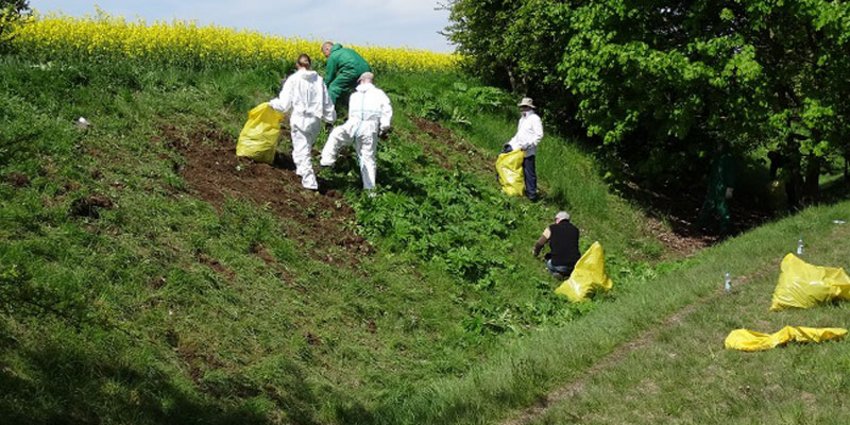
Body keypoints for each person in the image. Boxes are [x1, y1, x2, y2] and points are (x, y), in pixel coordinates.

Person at [269, 54, 336, 190]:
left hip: (300, 118)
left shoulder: (293, 79)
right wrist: (330, 118)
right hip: (315, 120)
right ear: (310, 64)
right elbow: (327, 101)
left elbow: (284, 103)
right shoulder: (319, 80)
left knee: (301, 151)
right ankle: (300, 172)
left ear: (297, 65)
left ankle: (309, 182)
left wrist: (271, 104)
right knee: (305, 148)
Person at [320, 72, 392, 193]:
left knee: (336, 135)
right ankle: (370, 191)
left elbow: (352, 113)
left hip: (356, 124)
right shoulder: (378, 94)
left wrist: (383, 127)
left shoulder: (355, 95)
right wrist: (384, 127)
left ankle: (327, 160)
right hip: (368, 127)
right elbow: (387, 110)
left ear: (361, 81)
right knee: (367, 158)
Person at [505, 97, 544, 201]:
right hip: (517, 149)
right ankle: (515, 189)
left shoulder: (535, 119)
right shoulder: (522, 119)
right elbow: (519, 135)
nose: (522, 108)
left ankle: (532, 195)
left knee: (529, 173)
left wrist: (529, 145)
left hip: (528, 151)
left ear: (529, 107)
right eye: (521, 107)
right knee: (514, 169)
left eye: (524, 106)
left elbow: (539, 135)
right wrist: (510, 143)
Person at [321, 41, 372, 107]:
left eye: (325, 54)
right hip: (367, 70)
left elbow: (329, 77)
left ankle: (328, 112)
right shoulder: (348, 50)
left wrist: (323, 87)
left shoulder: (333, 55)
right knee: (353, 89)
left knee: (333, 87)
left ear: (327, 49)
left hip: (352, 71)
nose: (326, 57)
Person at [533, 211, 581, 278]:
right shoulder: (576, 230)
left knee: (549, 262)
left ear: (558, 219)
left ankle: (557, 272)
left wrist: (535, 253)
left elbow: (539, 243)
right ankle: (568, 274)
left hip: (558, 264)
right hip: (575, 264)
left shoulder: (552, 228)